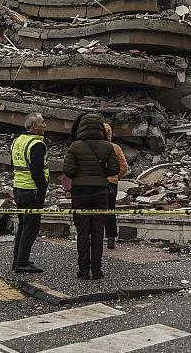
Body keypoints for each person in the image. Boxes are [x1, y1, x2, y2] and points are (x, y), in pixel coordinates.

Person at [62, 112, 119, 280]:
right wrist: (101, 174)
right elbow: (114, 170)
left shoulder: (75, 146)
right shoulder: (108, 147)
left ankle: (83, 270)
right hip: (100, 192)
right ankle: (97, 270)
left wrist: (81, 175)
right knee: (97, 231)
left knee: (82, 231)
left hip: (80, 192)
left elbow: (68, 171)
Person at [11, 113, 49, 274]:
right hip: (32, 189)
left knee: (23, 225)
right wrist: (42, 187)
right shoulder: (37, 144)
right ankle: (22, 262)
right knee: (30, 227)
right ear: (34, 126)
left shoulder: (18, 140)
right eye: (42, 122)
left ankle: (18, 259)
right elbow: (37, 171)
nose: (45, 125)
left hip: (18, 187)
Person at [103, 122, 129, 249]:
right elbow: (124, 167)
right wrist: (116, 178)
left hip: (96, 183)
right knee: (110, 210)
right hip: (111, 183)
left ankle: (93, 236)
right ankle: (111, 238)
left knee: (93, 210)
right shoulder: (115, 147)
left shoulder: (91, 147)